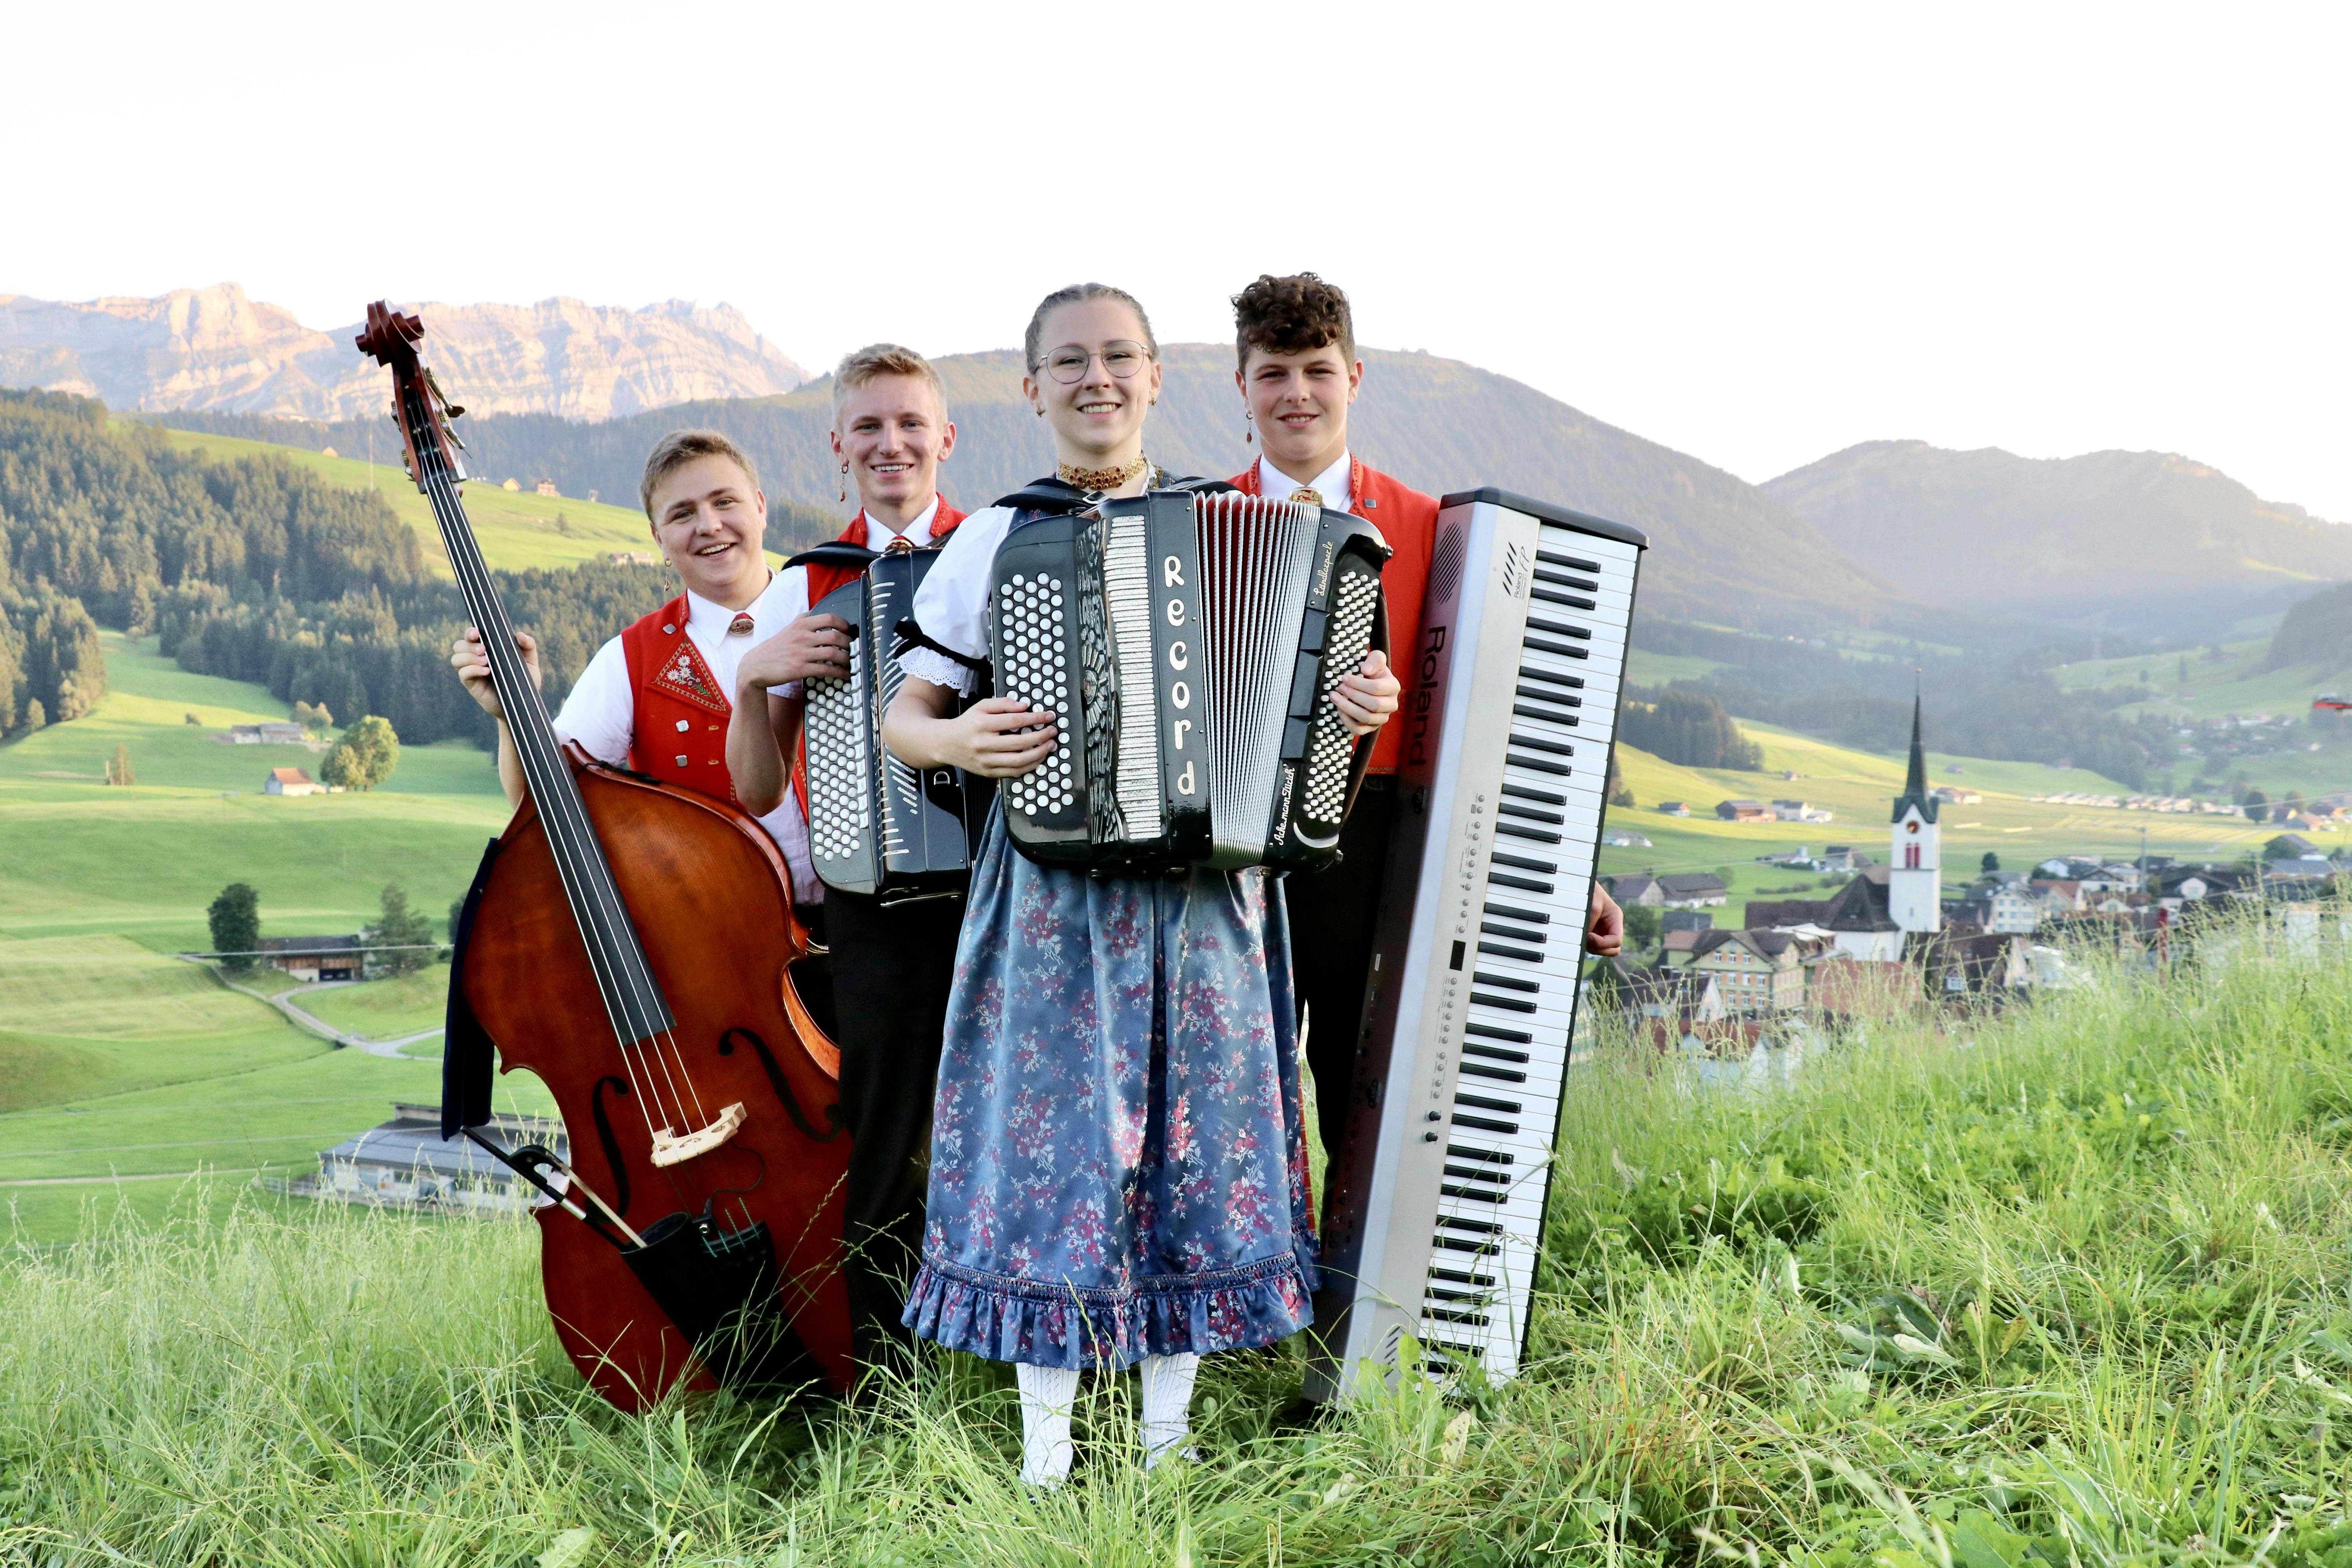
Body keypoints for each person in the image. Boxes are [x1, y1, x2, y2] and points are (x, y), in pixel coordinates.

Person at [880, 283, 1402, 1487]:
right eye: (1069, 361)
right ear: (1031, 387)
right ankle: (1045, 1453)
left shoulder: (1236, 521)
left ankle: (1166, 1438)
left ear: (1158, 376)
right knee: (1049, 1153)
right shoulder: (996, 534)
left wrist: (1354, 709)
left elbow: (1314, 713)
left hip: (1210, 897)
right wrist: (957, 743)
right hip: (1054, 902)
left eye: (1119, 356)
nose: (1096, 378)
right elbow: (905, 717)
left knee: (1198, 1145)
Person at [1224, 272, 1624, 1178]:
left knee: (1369, 1101)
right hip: (1231, 852)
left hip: (1376, 849)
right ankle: (1248, 1304)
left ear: (1354, 378)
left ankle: (1353, 1309)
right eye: (1273, 372)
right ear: (1242, 386)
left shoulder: (1436, 529)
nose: (1297, 393)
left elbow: (1501, 718)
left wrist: (1571, 872)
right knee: (1231, 1103)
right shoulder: (1194, 523)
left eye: (1317, 370)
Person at [726, 344, 969, 1377]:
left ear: (946, 438)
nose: (891, 443)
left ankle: (1032, 1354)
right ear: (837, 447)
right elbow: (753, 789)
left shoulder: (1006, 546)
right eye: (867, 426)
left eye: (910, 423)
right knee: (885, 1146)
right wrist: (751, 680)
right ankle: (892, 1379)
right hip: (874, 908)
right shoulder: (806, 586)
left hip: (1014, 888)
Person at [450, 428, 827, 912]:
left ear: (760, 506)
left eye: (724, 502)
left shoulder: (830, 601)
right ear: (659, 537)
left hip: (872, 927)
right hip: (720, 941)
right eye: (683, 513)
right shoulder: (631, 658)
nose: (709, 525)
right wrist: (512, 712)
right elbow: (538, 805)